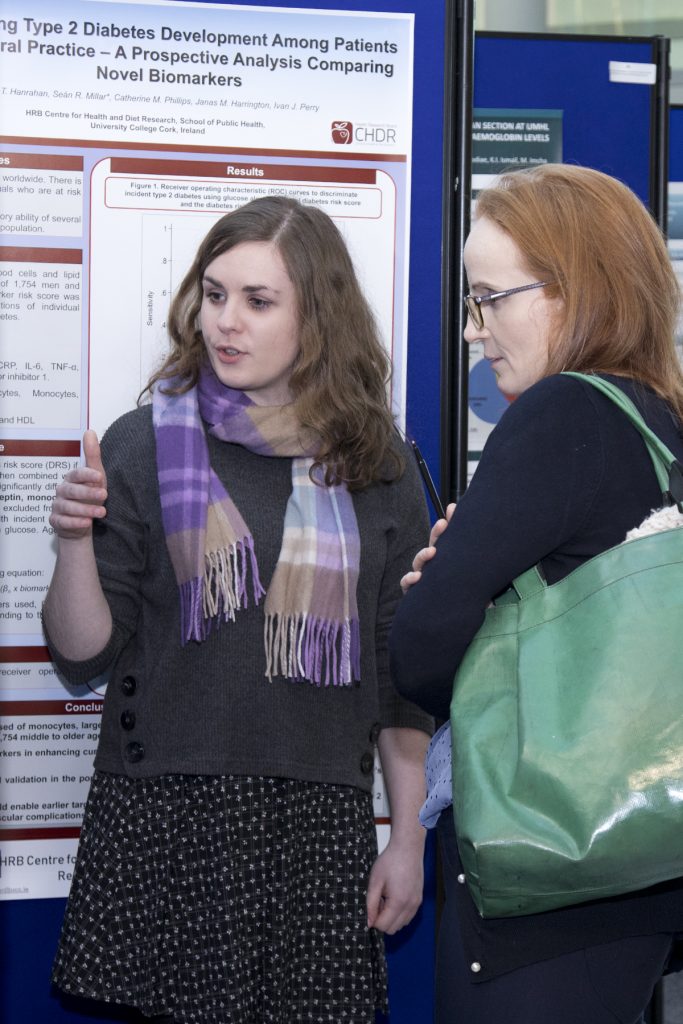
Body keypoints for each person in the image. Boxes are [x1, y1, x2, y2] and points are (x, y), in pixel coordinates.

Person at [44, 195, 433, 1024]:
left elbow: (400, 679)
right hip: (167, 806)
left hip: (316, 815)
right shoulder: (143, 442)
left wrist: (407, 837)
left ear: (316, 318)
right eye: (215, 294)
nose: (226, 321)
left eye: (258, 301)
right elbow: (81, 654)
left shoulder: (379, 467)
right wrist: (74, 541)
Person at [389, 163, 683, 1024]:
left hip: (543, 884)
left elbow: (419, 653)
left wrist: (446, 591)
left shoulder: (562, 413)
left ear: (572, 290)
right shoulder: (657, 418)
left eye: (489, 298)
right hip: (634, 869)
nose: (472, 329)